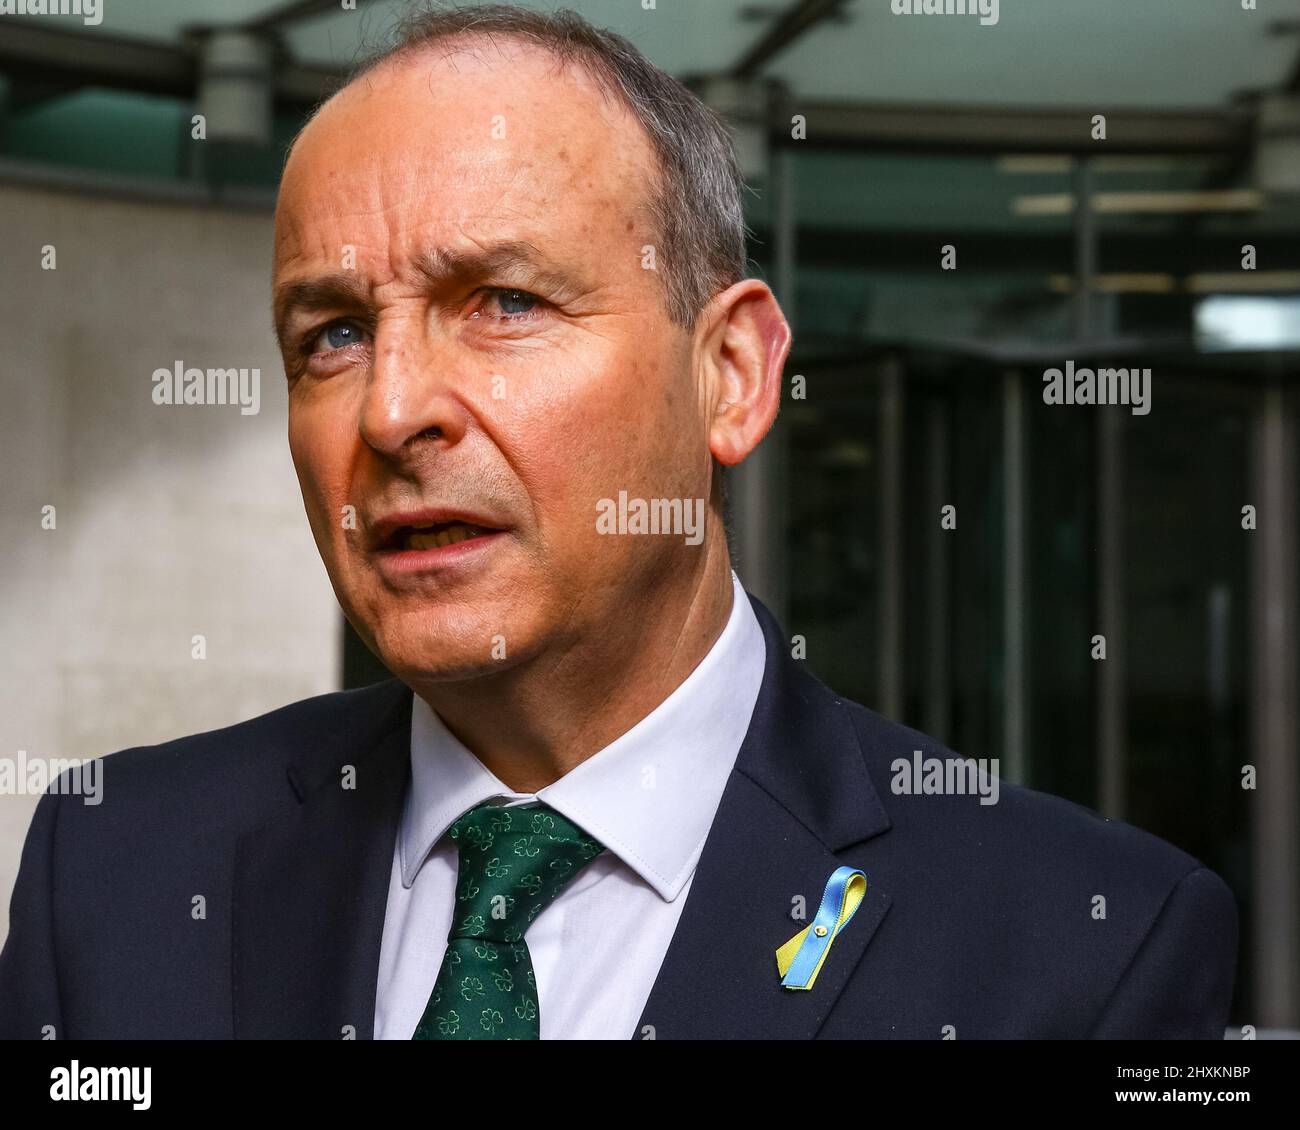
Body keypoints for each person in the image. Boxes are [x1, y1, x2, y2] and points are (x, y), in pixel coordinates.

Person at [0, 4, 1236, 1040]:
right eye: (331, 333)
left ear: (732, 375)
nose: (389, 410)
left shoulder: (1087, 947)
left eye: (502, 301)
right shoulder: (115, 870)